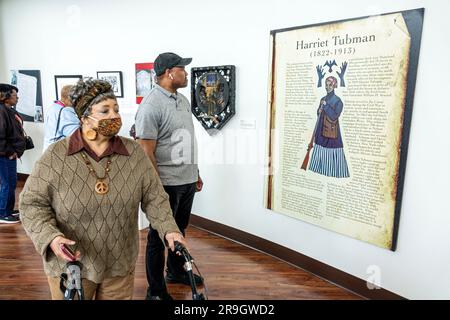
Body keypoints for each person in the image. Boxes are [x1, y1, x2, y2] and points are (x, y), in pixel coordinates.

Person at [20, 78, 187, 300]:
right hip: (71, 266)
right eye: (105, 110)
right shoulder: (55, 157)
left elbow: (155, 197)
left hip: (119, 265)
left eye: (116, 109)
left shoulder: (133, 153)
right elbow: (31, 203)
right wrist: (51, 237)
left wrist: (169, 228)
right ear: (84, 117)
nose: (114, 116)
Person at [135, 52, 204, 300]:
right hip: (165, 184)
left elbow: (185, 140)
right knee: (157, 237)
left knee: (180, 230)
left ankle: (175, 272)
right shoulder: (151, 105)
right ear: (168, 73)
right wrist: (156, 189)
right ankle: (155, 290)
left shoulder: (182, 100)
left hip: (186, 180)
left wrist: (195, 172)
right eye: (182, 69)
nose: (186, 73)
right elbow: (146, 151)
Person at [308, 76, 350, 178]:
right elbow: (319, 115)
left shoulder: (338, 101)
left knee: (332, 153)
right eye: (326, 85)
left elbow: (334, 116)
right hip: (320, 132)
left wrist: (326, 106)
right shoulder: (323, 99)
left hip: (332, 133)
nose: (328, 87)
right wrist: (319, 111)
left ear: (334, 85)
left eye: (330, 85)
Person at [0, 84, 25, 224]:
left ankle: (7, 210)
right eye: (15, 95)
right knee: (7, 184)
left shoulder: (9, 110)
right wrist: (10, 151)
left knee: (11, 183)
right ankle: (3, 213)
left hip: (10, 154)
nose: (17, 98)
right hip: (4, 155)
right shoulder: (1, 111)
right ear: (5, 96)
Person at [43, 85, 79, 151]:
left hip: (49, 150)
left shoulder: (52, 108)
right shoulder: (64, 111)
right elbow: (76, 135)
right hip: (57, 152)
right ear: (69, 99)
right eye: (76, 99)